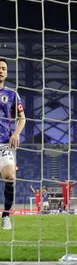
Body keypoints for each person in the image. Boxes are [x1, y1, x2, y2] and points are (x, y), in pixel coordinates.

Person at [0, 59, 26, 229]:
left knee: (10, 176)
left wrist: (16, 134)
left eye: (3, 68)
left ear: (7, 73)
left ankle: (6, 216)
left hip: (3, 143)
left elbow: (22, 118)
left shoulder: (12, 94)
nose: (0, 71)